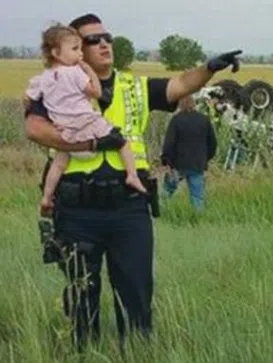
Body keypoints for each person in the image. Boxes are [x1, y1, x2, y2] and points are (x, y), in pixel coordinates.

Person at [23, 13, 242, 351]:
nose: (104, 43)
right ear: (74, 48)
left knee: (137, 292)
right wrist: (91, 144)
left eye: (106, 37)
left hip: (129, 207)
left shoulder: (134, 87)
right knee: (81, 294)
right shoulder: (55, 83)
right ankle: (83, 353)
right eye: (92, 40)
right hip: (77, 208)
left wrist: (210, 68)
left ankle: (137, 353)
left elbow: (181, 84)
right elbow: (35, 129)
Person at [25, 24, 147, 216]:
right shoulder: (75, 73)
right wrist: (89, 71)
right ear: (57, 52)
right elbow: (96, 92)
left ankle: (47, 197)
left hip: (66, 134)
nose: (80, 55)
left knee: (58, 165)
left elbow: (28, 99)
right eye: (75, 49)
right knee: (122, 142)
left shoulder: (43, 78)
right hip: (88, 126)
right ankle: (132, 176)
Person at [160, 95, 217, 211]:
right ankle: (198, 220)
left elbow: (169, 143)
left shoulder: (176, 120)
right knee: (197, 196)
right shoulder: (204, 120)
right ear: (194, 104)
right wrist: (206, 158)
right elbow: (213, 143)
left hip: (178, 164)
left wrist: (166, 161)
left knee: (167, 191)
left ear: (180, 105)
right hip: (197, 163)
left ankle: (160, 213)